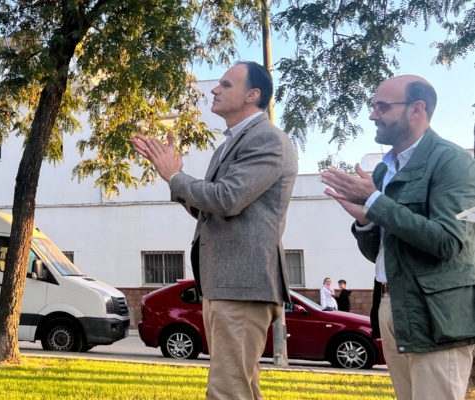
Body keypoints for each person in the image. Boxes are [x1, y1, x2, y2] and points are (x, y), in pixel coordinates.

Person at [132, 61, 297, 400]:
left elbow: (226, 199)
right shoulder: (228, 145)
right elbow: (211, 209)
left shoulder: (267, 139)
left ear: (253, 95)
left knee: (227, 390)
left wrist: (175, 177)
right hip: (225, 285)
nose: (214, 90)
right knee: (238, 386)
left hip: (243, 286)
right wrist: (175, 178)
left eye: (225, 84)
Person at [321, 75, 475, 400]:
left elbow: (448, 242)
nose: (373, 114)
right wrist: (364, 222)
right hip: (390, 304)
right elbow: (380, 252)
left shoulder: (452, 162)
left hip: (435, 314)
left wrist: (376, 203)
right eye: (373, 106)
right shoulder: (383, 171)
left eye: (382, 106)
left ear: (416, 109)